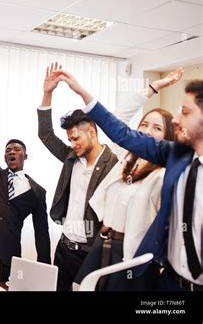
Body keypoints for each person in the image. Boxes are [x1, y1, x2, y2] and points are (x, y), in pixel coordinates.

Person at [57, 70, 203, 291]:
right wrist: (82, 93)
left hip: (144, 262)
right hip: (162, 275)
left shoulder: (162, 170)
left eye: (184, 112)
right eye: (144, 125)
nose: (176, 119)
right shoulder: (167, 155)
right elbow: (121, 130)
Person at [37, 62, 118, 291]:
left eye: (76, 138)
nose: (72, 144)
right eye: (70, 140)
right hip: (64, 248)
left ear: (91, 131)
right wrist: (47, 93)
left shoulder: (113, 164)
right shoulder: (71, 157)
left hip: (90, 253)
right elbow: (45, 134)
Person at [0, 88, 51, 282]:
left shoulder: (37, 192)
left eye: (17, 149)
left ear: (25, 156)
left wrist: (45, 274)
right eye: (8, 150)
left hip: (7, 253)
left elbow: (42, 233)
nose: (11, 152)